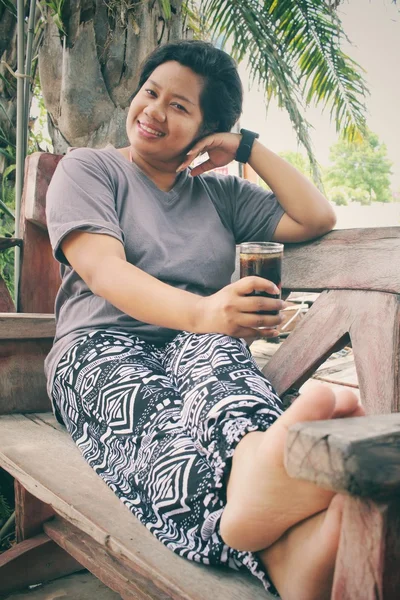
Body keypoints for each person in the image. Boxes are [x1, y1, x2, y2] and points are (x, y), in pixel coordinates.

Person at [45, 40, 364, 599]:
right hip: (97, 348)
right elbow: (103, 272)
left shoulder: (222, 194)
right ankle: (264, 502)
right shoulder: (90, 169)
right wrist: (206, 310)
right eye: (151, 93)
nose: (153, 111)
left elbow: (316, 215)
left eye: (179, 106)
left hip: (195, 341)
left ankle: (276, 534)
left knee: (219, 359)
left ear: (207, 130)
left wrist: (247, 148)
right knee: (153, 417)